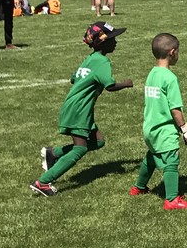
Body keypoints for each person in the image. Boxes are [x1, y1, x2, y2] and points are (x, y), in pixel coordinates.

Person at [30, 22, 134, 196]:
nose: (116, 41)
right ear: (102, 42)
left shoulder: (90, 58)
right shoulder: (102, 61)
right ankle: (43, 182)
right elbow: (109, 86)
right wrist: (126, 84)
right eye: (112, 38)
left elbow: (74, 78)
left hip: (78, 107)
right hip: (80, 109)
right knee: (80, 148)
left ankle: (53, 153)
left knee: (98, 141)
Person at [130, 33, 187, 210]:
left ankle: (138, 187)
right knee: (171, 160)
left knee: (152, 156)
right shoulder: (169, 78)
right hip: (164, 129)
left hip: (150, 128)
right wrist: (185, 129)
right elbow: (175, 109)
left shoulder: (152, 73)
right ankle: (172, 199)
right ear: (172, 52)